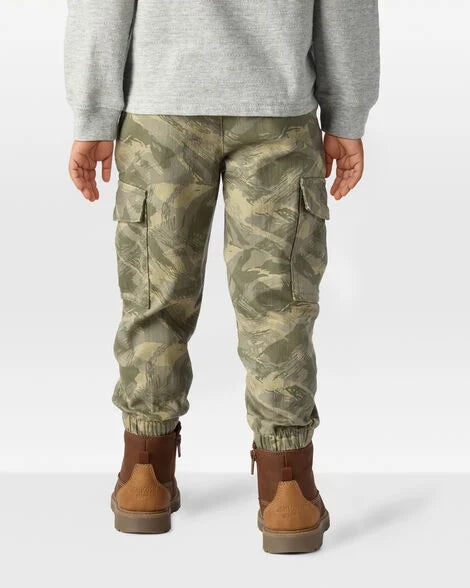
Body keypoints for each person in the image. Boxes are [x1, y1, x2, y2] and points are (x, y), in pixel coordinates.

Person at [65, 0, 379, 553]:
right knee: (279, 308)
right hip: (278, 108)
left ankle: (144, 475)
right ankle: (287, 490)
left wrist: (93, 114)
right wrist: (346, 111)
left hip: (160, 108)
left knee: (154, 297)